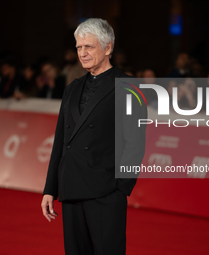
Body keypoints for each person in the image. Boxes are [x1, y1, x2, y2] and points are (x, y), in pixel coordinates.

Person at [41, 18, 146, 255]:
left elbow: (135, 143)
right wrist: (50, 189)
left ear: (108, 48)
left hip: (105, 193)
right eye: (79, 47)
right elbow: (60, 142)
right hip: (71, 189)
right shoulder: (72, 88)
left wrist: (120, 189)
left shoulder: (129, 87)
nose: (82, 53)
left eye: (89, 46)